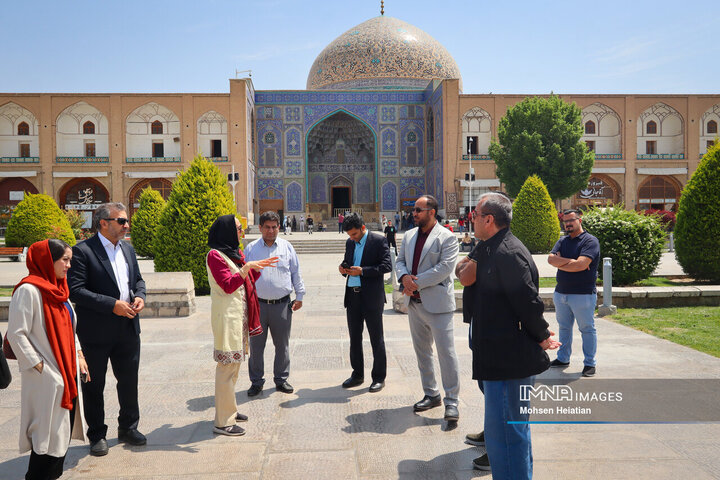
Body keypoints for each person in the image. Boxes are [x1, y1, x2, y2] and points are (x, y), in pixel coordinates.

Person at [455, 192, 559, 477]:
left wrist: (541, 335)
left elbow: (526, 301)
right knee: (503, 433)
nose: (471, 219)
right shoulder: (490, 247)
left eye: (475, 215)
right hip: (496, 356)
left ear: (489, 220)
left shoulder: (508, 252)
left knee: (508, 434)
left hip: (508, 360)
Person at [68, 202, 146, 457]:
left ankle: (128, 427)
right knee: (94, 385)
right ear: (103, 223)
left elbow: (138, 280)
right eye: (121, 221)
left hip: (128, 327)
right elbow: (76, 290)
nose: (126, 225)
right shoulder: (83, 252)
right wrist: (112, 305)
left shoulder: (128, 249)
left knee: (129, 381)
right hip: (96, 332)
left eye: (126, 221)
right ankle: (97, 435)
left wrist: (140, 296)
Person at [8, 239, 90, 479]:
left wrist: (78, 353)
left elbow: (69, 327)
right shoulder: (28, 290)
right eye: (64, 260)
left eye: (70, 260)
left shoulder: (60, 290)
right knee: (46, 438)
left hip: (67, 372)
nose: (68, 266)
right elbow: (16, 333)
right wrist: (39, 366)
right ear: (47, 260)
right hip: (48, 376)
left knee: (59, 437)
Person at [206, 214, 278, 435]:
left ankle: (230, 410)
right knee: (226, 368)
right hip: (227, 318)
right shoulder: (215, 256)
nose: (241, 233)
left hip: (239, 317)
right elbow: (228, 285)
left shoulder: (233, 254)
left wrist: (254, 270)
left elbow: (243, 282)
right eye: (238, 228)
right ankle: (223, 422)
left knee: (235, 367)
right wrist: (247, 268)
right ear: (227, 230)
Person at [395, 195, 461, 422]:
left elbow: (444, 269)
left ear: (431, 212)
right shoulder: (410, 235)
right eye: (414, 210)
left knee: (446, 354)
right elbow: (400, 260)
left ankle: (452, 401)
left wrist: (415, 282)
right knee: (423, 352)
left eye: (418, 210)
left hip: (438, 305)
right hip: (414, 303)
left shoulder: (447, 238)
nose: (413, 214)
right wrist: (404, 277)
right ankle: (431, 393)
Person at [244, 211, 305, 397]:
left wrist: (300, 295)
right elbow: (244, 276)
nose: (271, 231)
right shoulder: (251, 249)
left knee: (282, 344)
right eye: (267, 227)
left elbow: (295, 272)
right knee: (256, 346)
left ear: (279, 227)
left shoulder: (287, 247)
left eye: (274, 227)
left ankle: (281, 379)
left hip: (282, 305)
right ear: (260, 228)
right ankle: (256, 381)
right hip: (258, 306)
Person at [339, 213, 392, 393]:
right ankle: (357, 374)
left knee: (376, 338)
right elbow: (349, 261)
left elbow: (386, 266)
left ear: (362, 228)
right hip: (353, 296)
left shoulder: (378, 241)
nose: (352, 238)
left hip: (371, 297)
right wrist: (343, 268)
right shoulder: (350, 242)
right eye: (349, 235)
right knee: (355, 337)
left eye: (354, 234)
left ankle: (378, 377)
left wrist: (363, 271)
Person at [548, 208, 600, 377]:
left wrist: (562, 262)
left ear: (580, 220)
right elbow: (550, 259)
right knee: (564, 328)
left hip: (583, 294)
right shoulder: (562, 241)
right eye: (565, 221)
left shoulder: (590, 241)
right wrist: (572, 262)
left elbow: (581, 265)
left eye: (571, 220)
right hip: (561, 293)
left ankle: (589, 363)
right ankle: (563, 358)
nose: (568, 224)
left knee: (587, 329)